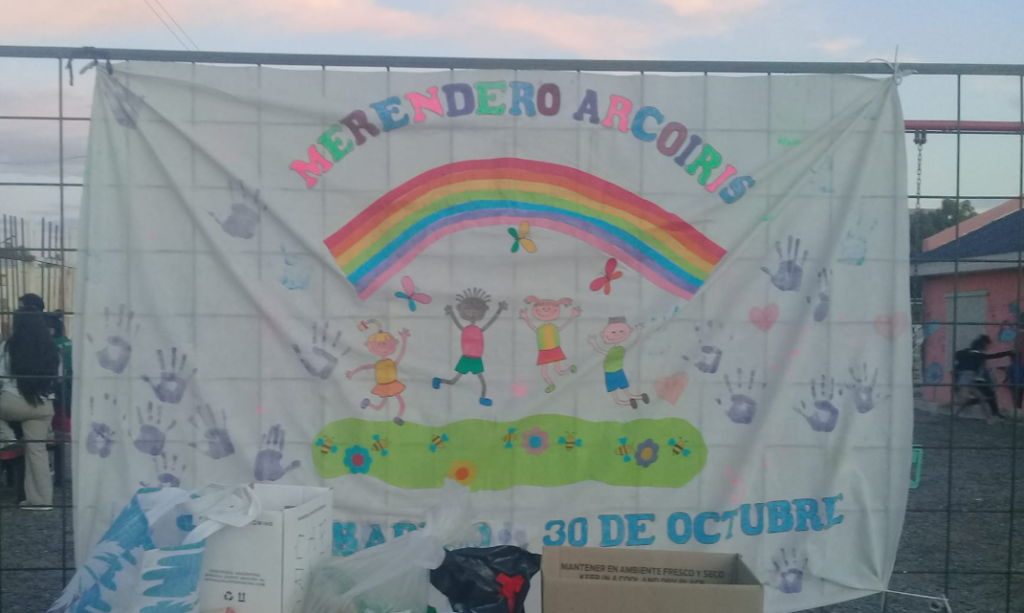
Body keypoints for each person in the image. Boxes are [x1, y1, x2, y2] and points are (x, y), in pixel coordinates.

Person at [0, 307, 60, 509]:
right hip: (43, 406)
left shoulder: (7, 346)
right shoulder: (53, 349)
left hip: (13, 402)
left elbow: (1, 376)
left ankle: (7, 438)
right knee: (37, 451)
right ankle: (41, 501)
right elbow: (58, 379)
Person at [953, 335, 1014, 423]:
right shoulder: (978, 355)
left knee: (981, 398)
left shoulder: (964, 353)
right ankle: (946, 407)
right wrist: (1008, 353)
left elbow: (957, 361)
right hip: (966, 379)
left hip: (969, 379)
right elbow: (994, 356)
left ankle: (988, 418)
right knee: (964, 400)